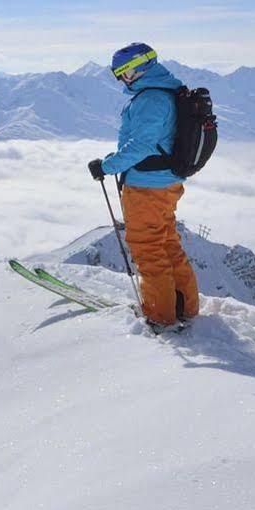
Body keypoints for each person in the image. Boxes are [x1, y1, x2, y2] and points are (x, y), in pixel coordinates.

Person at [89, 42, 201, 328]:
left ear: (139, 68)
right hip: (165, 184)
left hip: (146, 188)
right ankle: (185, 306)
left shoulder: (151, 99)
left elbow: (141, 144)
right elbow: (150, 141)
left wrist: (107, 166)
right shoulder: (166, 92)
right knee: (167, 244)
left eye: (125, 73)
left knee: (148, 248)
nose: (123, 80)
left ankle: (161, 315)